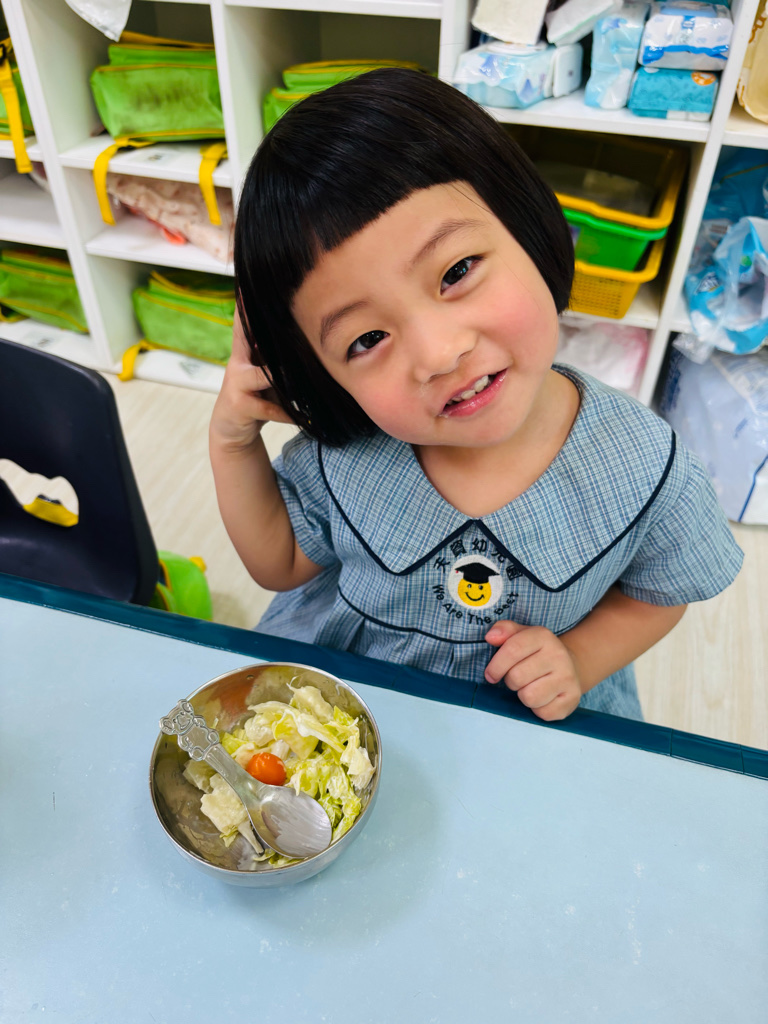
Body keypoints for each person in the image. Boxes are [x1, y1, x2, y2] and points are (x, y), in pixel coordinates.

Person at [210, 69, 742, 722]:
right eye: (367, 338)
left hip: (525, 721)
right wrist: (232, 440)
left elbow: (659, 592)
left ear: (527, 227)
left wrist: (579, 659)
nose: (439, 353)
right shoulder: (345, 456)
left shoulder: (645, 468)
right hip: (347, 708)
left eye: (457, 271)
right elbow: (282, 564)